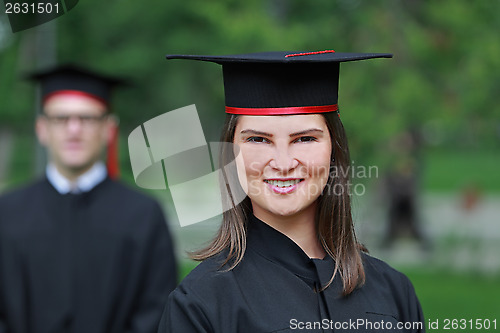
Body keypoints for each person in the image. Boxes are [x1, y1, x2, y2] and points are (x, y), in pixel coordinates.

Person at [158, 50, 425, 333]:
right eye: (259, 139)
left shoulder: (394, 293)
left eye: (305, 138)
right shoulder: (202, 306)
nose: (283, 163)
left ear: (334, 149)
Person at [0, 65, 177, 333]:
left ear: (108, 128)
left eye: (87, 118)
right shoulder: (7, 213)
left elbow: (156, 312)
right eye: (61, 118)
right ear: (42, 129)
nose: (74, 129)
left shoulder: (143, 216)